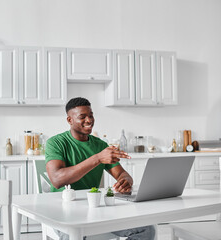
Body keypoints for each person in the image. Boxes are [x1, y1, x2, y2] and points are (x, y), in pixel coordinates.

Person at [45, 97, 155, 240]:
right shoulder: (56, 143)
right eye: (82, 117)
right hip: (64, 211)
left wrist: (125, 182)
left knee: (146, 230)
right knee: (73, 235)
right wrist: (97, 158)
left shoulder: (100, 145)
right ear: (69, 120)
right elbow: (57, 180)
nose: (89, 120)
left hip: (95, 208)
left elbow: (122, 174)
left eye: (91, 115)